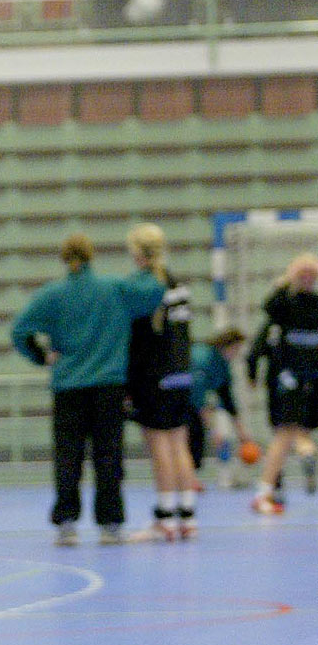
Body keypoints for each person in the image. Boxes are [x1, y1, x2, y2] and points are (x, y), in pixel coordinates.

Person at [11, 233, 164, 547]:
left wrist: (41, 356)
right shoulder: (115, 289)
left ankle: (67, 523)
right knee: (108, 456)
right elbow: (154, 291)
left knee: (68, 456)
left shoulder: (51, 295)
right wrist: (149, 261)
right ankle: (110, 524)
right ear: (92, 255)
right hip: (108, 386)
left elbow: (19, 330)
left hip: (68, 387)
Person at [122, 224, 197, 542]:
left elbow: (136, 341)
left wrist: (129, 384)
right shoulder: (178, 285)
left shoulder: (140, 287)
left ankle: (165, 517)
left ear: (136, 252)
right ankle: (188, 517)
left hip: (154, 376)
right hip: (182, 374)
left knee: (160, 447)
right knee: (179, 444)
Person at [245, 253, 318, 515]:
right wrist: (290, 280)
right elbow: (269, 306)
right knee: (300, 433)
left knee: (284, 435)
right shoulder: (285, 305)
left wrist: (290, 279)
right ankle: (307, 451)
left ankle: (265, 491)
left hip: (292, 382)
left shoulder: (295, 305)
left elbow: (255, 350)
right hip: (303, 381)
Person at [186, 326, 250, 489]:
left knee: (196, 434)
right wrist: (214, 431)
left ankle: (189, 477)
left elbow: (226, 397)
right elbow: (196, 397)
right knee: (192, 432)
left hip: (192, 401)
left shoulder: (221, 364)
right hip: (178, 398)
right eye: (236, 349)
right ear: (226, 346)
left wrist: (242, 432)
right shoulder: (202, 357)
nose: (237, 353)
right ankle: (187, 478)